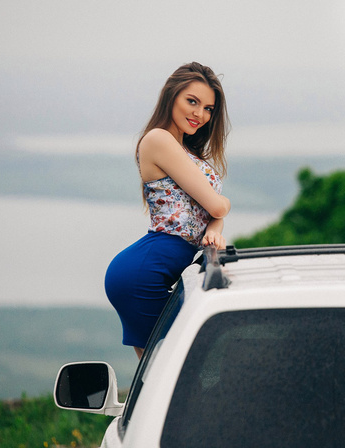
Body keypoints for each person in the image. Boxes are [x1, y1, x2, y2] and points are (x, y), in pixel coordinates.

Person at [105, 62, 231, 359]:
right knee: (178, 365)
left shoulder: (185, 150)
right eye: (192, 101)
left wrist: (214, 230)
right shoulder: (158, 139)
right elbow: (215, 205)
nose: (200, 114)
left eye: (209, 108)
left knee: (166, 369)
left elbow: (210, 216)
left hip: (154, 268)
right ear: (171, 96)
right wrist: (225, 205)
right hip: (142, 272)